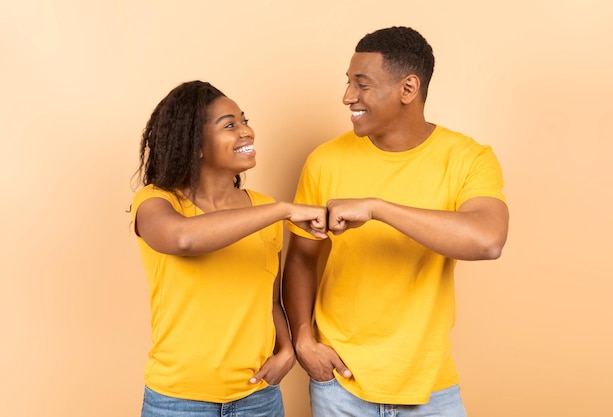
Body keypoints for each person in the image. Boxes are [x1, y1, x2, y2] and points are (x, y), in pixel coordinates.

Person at [283, 26, 509, 417]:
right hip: (339, 385)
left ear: (408, 89)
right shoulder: (325, 161)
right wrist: (304, 338)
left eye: (362, 84)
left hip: (431, 389)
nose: (347, 97)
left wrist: (378, 208)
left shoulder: (469, 158)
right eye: (348, 83)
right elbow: (302, 258)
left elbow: (487, 240)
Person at [131, 80, 328, 417]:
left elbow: (270, 300)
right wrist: (283, 210)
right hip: (178, 402)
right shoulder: (155, 202)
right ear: (197, 145)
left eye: (244, 120)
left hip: (258, 399)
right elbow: (182, 239)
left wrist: (286, 350)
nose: (246, 131)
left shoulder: (262, 208)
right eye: (230, 125)